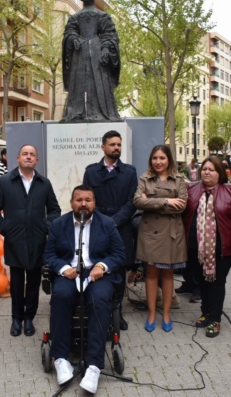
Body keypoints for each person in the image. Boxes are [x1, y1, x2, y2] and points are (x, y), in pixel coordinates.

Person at [44, 185, 125, 394]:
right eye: (79, 200)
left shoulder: (106, 223)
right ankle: (61, 359)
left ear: (94, 203)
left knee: (99, 300)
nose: (83, 204)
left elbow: (119, 253)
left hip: (97, 275)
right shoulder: (59, 224)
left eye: (88, 200)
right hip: (69, 273)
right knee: (61, 296)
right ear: (71, 203)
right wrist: (63, 268)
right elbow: (49, 255)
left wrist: (102, 266)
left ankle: (94, 366)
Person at [0, 145, 61, 337]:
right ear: (18, 158)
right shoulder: (4, 182)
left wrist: (46, 227)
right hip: (14, 240)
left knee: (34, 282)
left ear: (36, 161)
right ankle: (16, 319)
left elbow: (54, 210)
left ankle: (29, 319)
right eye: (25, 154)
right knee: (17, 282)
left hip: (37, 241)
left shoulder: (44, 183)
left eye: (32, 155)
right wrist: (5, 228)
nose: (29, 157)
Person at [183, 157, 231, 337]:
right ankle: (205, 313)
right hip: (196, 247)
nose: (207, 172)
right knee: (201, 280)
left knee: (217, 283)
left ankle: (215, 318)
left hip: (222, 248)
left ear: (219, 173)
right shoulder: (191, 189)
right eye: (204, 169)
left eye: (211, 169)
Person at [83, 130, 137, 330]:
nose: (117, 148)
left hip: (120, 227)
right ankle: (96, 308)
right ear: (103, 147)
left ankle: (117, 311)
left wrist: (114, 222)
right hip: (97, 226)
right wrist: (103, 221)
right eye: (112, 144)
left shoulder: (130, 172)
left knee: (119, 270)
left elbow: (132, 202)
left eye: (119, 145)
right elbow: (87, 199)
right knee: (96, 265)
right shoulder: (91, 172)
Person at [133, 145, 187, 332]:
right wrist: (166, 201)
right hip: (150, 232)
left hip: (171, 233)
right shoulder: (145, 177)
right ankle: (151, 314)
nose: (158, 161)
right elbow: (138, 202)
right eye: (155, 158)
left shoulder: (179, 179)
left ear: (169, 160)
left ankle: (166, 314)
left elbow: (181, 206)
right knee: (151, 274)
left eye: (162, 158)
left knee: (168, 275)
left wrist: (151, 202)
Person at [61, 0, 121, 122]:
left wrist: (105, 49)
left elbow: (109, 34)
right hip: (79, 53)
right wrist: (73, 38)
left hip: (97, 50)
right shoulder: (74, 17)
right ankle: (77, 113)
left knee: (99, 80)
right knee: (78, 81)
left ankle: (101, 112)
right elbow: (69, 32)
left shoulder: (103, 16)